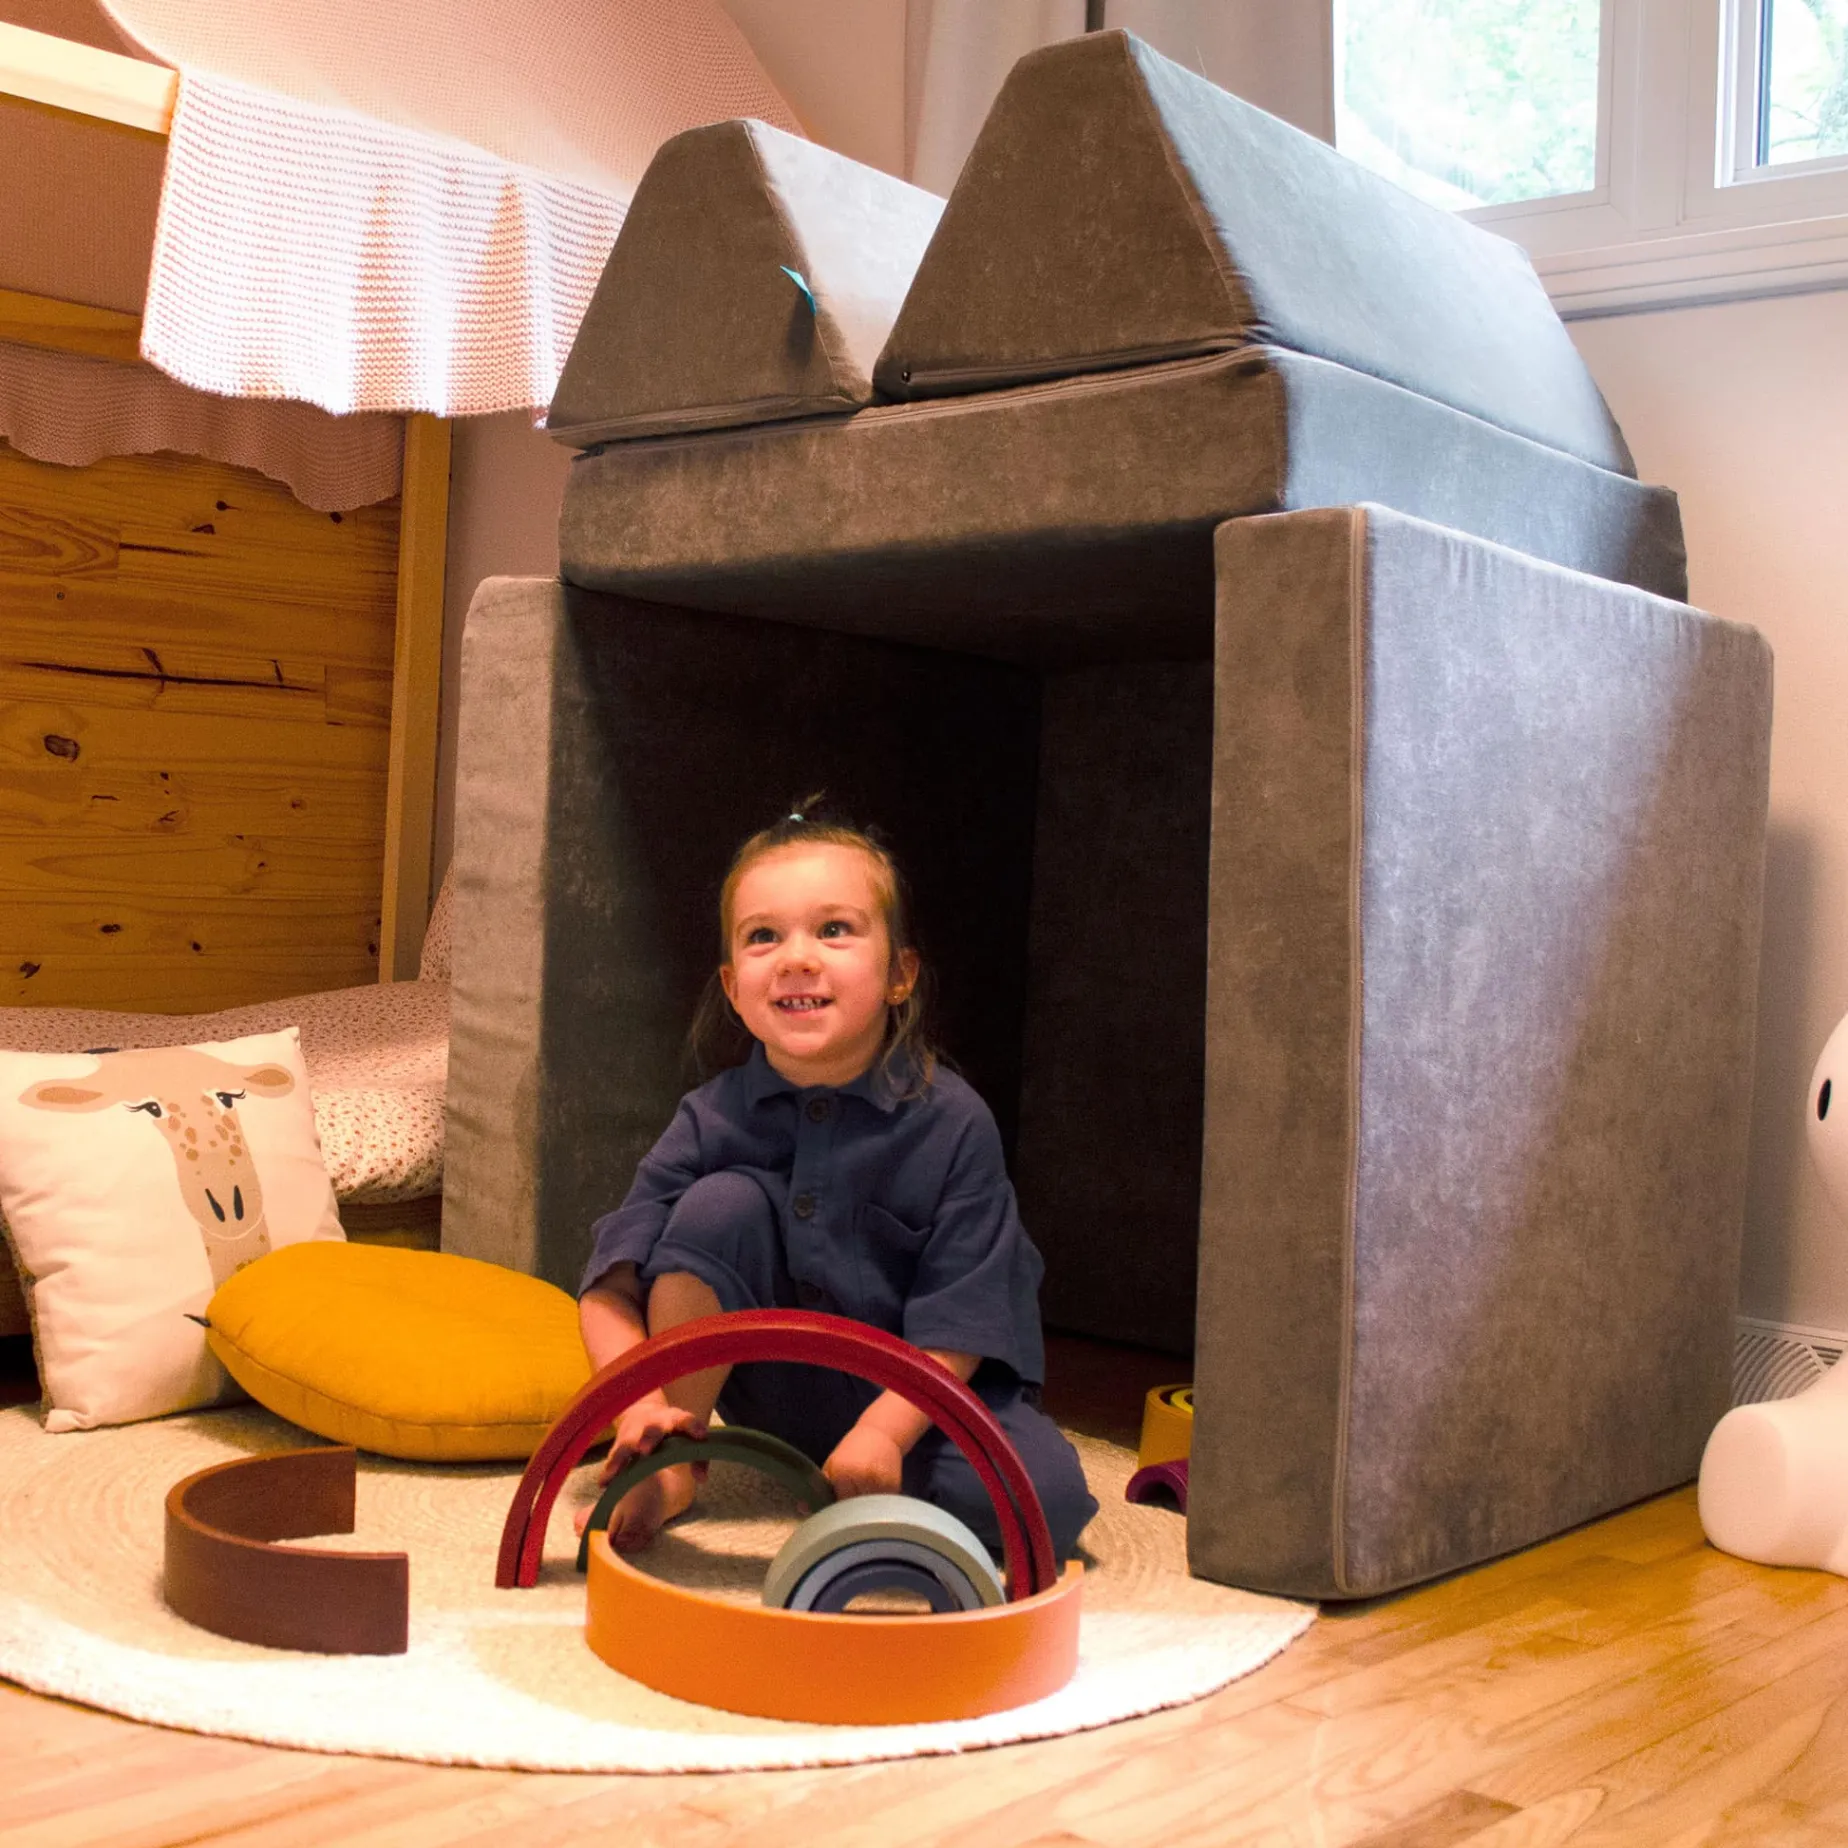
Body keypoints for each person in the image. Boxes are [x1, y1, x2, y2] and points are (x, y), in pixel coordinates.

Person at [576, 799, 1097, 1560]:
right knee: (719, 1206)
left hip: (928, 1396)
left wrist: (884, 1432)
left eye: (834, 929)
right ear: (733, 987)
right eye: (763, 936)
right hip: (785, 1391)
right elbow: (608, 1288)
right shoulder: (707, 1118)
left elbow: (964, 1320)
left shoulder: (954, 1122)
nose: (796, 957)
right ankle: (674, 1464)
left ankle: (865, 1476)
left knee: (1042, 1504)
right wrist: (640, 1405)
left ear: (899, 975)